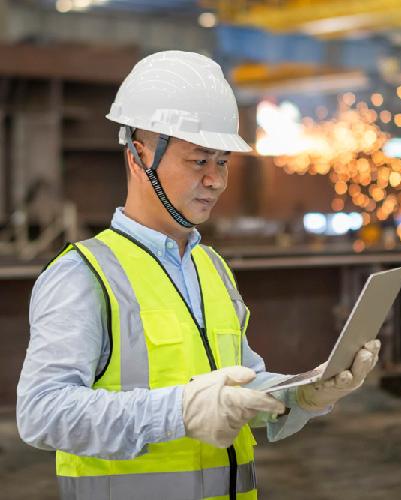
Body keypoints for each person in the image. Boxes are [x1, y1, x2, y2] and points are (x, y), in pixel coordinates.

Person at [16, 51, 381, 500]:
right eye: (198, 161)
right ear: (137, 155)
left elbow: (241, 385)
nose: (216, 181)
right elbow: (41, 414)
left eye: (222, 161)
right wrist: (180, 411)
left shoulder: (212, 269)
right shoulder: (84, 275)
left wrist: (303, 394)